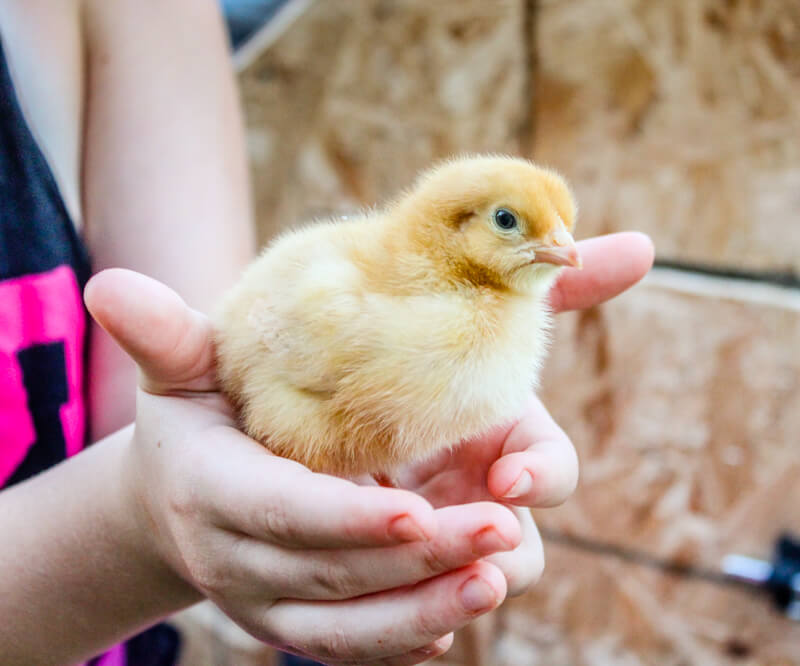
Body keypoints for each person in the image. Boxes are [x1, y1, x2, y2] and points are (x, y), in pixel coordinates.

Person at [0, 1, 654, 664]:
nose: (561, 245)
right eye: (514, 224)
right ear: (454, 227)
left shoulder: (139, 15)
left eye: (558, 226)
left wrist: (174, 491)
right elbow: (253, 362)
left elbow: (184, 383)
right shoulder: (365, 316)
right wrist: (138, 519)